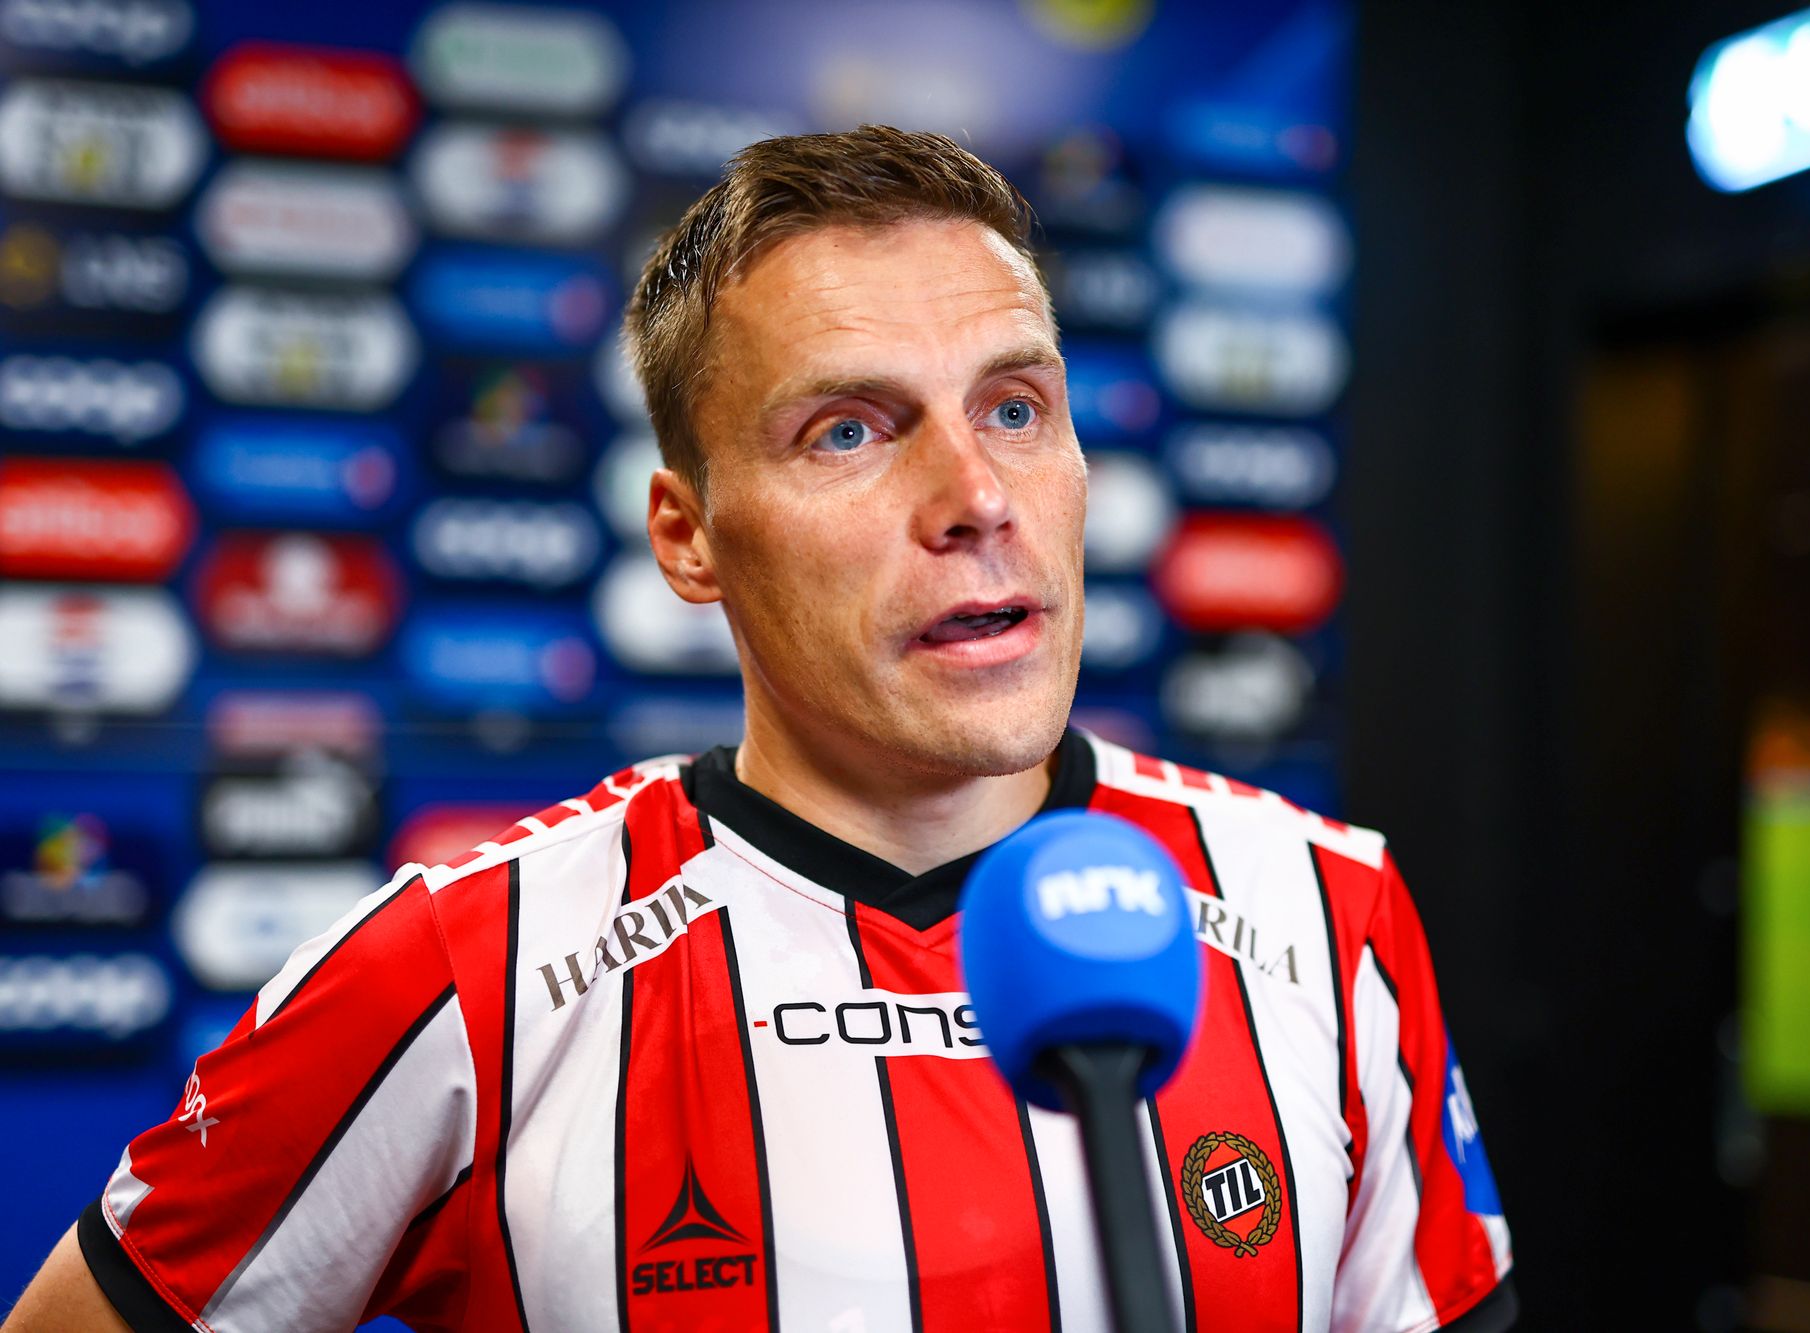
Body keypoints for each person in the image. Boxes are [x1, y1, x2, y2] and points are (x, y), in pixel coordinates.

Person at [6, 125, 1515, 1333]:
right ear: (689, 536)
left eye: (1014, 407)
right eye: (847, 430)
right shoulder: (461, 965)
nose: (975, 498)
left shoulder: (1332, 910)